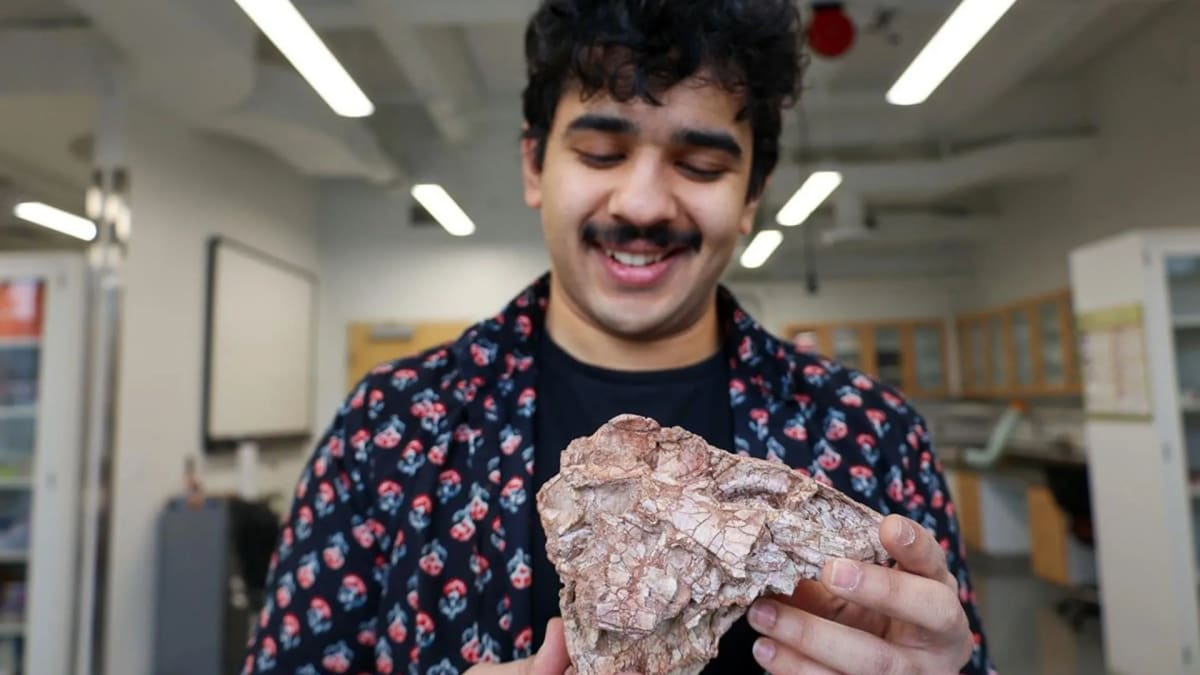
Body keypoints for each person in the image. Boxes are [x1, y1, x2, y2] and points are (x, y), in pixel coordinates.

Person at [243, 0, 994, 673]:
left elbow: (950, 650)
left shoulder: (870, 433)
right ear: (535, 165)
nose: (641, 202)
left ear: (751, 197)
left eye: (699, 164)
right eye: (602, 153)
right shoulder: (394, 424)